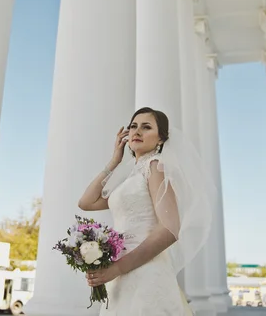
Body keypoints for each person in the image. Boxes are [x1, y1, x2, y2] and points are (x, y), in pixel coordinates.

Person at [78, 107, 215, 315]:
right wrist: (115, 160)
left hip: (143, 270)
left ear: (161, 139)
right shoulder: (132, 176)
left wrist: (118, 268)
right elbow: (86, 202)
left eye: (146, 127)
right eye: (133, 126)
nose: (137, 131)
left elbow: (169, 230)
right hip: (120, 272)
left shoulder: (155, 166)